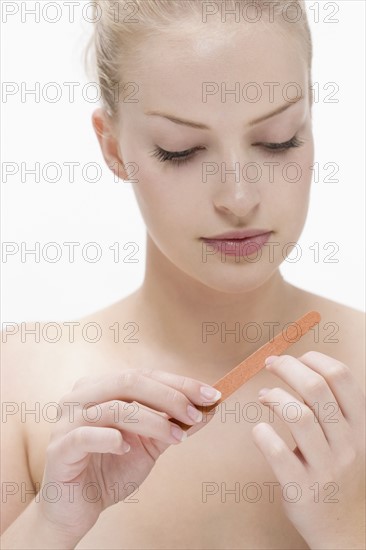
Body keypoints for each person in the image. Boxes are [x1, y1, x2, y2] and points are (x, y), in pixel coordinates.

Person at [1, 1, 365, 548]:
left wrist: (346, 529)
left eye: (278, 139)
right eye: (182, 151)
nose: (239, 198)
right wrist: (51, 527)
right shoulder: (21, 381)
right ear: (113, 148)